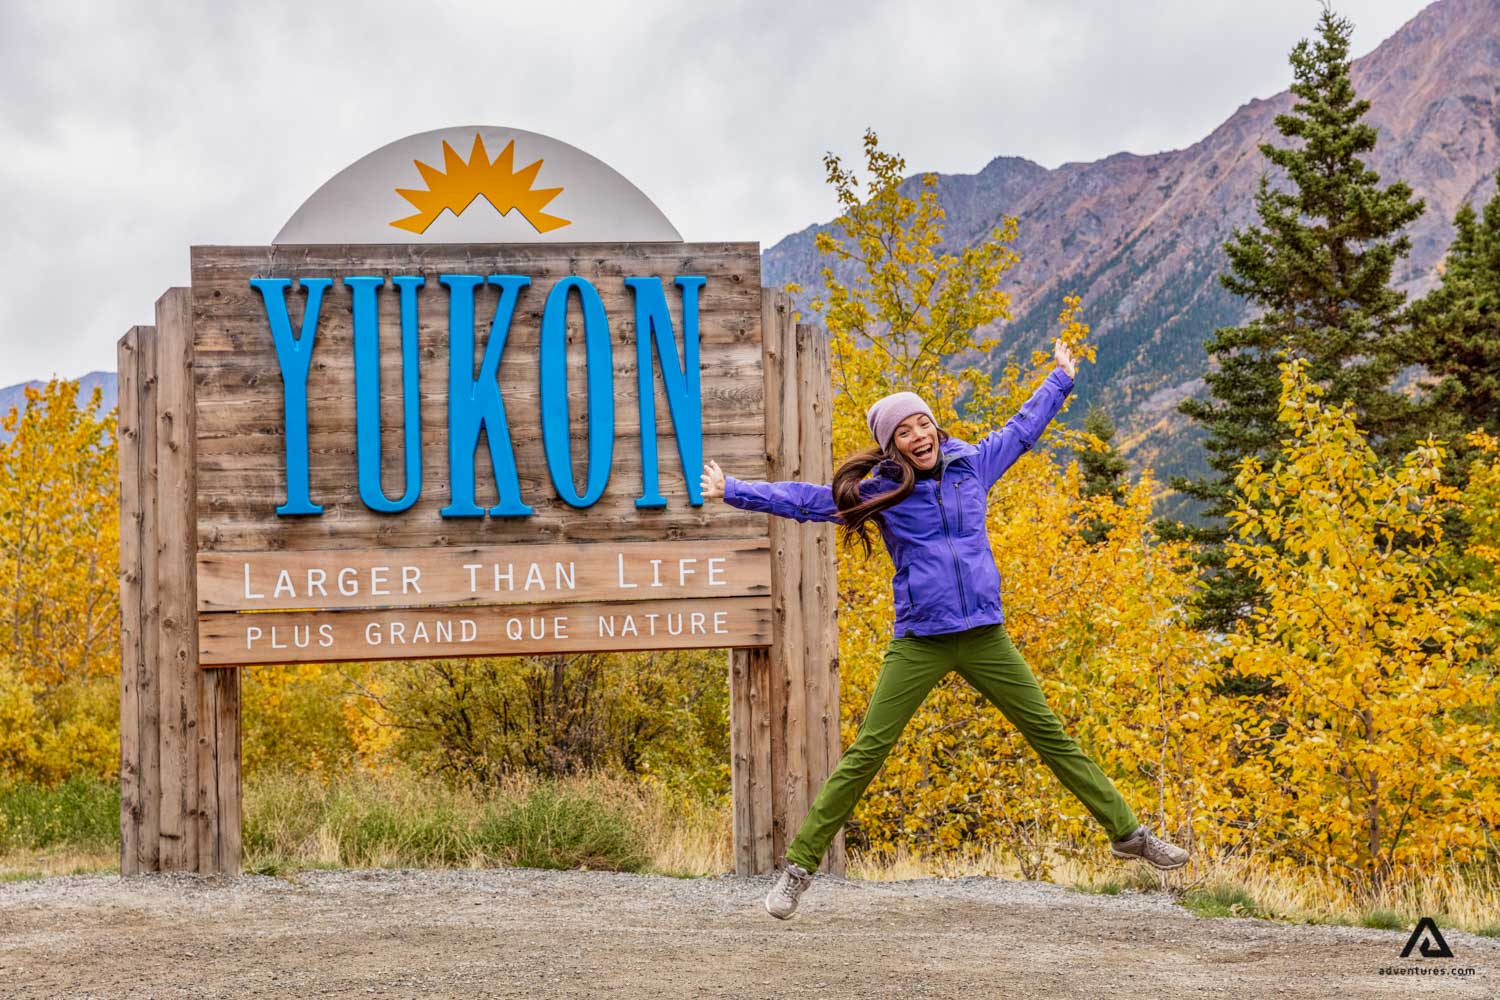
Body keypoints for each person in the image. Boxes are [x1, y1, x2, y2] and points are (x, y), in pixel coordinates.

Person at [699, 338, 1190, 921]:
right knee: (866, 754)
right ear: (891, 445)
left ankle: (1127, 833)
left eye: (923, 423)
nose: (918, 435)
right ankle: (798, 871)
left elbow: (1022, 430)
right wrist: (735, 490)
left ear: (935, 426)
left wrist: (1060, 378)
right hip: (920, 641)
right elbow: (807, 501)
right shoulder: (881, 493)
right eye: (903, 431)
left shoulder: (972, 466)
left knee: (1051, 735)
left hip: (986, 635)